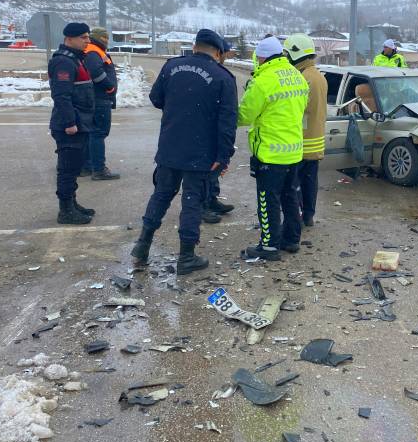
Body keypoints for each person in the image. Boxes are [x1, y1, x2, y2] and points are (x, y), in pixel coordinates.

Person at [130, 29, 237, 275]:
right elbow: (227, 122)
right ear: (218, 53)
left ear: (194, 46)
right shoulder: (222, 77)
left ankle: (142, 245)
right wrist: (223, 156)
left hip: (170, 145)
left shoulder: (171, 67)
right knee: (192, 202)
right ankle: (186, 256)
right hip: (201, 152)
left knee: (161, 195)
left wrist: (179, 105)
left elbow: (156, 99)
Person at [239, 36, 309, 261]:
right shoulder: (297, 76)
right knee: (289, 196)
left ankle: (269, 246)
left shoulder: (263, 81)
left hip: (270, 153)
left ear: (261, 56)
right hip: (294, 150)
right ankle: (291, 240)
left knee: (268, 200)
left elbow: (245, 115)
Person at [48, 22, 96, 225]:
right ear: (69, 39)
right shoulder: (64, 62)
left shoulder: (76, 59)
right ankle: (65, 211)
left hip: (80, 122)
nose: (87, 41)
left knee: (74, 167)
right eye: (83, 38)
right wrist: (69, 122)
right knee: (67, 170)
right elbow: (61, 95)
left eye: (88, 37)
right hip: (70, 125)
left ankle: (72, 204)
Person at [284, 33, 327, 227]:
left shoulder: (302, 78)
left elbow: (296, 108)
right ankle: (308, 216)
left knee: (295, 184)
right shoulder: (317, 75)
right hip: (315, 138)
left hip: (301, 139)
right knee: (310, 182)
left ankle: (298, 218)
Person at [202, 42, 237, 223]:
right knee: (206, 171)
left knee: (214, 169)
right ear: (219, 52)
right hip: (207, 131)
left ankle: (212, 199)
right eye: (226, 52)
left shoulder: (218, 71)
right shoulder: (215, 73)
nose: (227, 55)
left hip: (215, 131)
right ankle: (202, 206)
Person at [80, 27, 120, 180]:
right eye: (105, 37)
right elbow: (95, 71)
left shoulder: (93, 49)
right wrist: (109, 86)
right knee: (98, 133)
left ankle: (88, 166)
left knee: (92, 133)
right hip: (99, 98)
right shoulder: (93, 51)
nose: (107, 40)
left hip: (96, 97)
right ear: (99, 38)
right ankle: (98, 169)